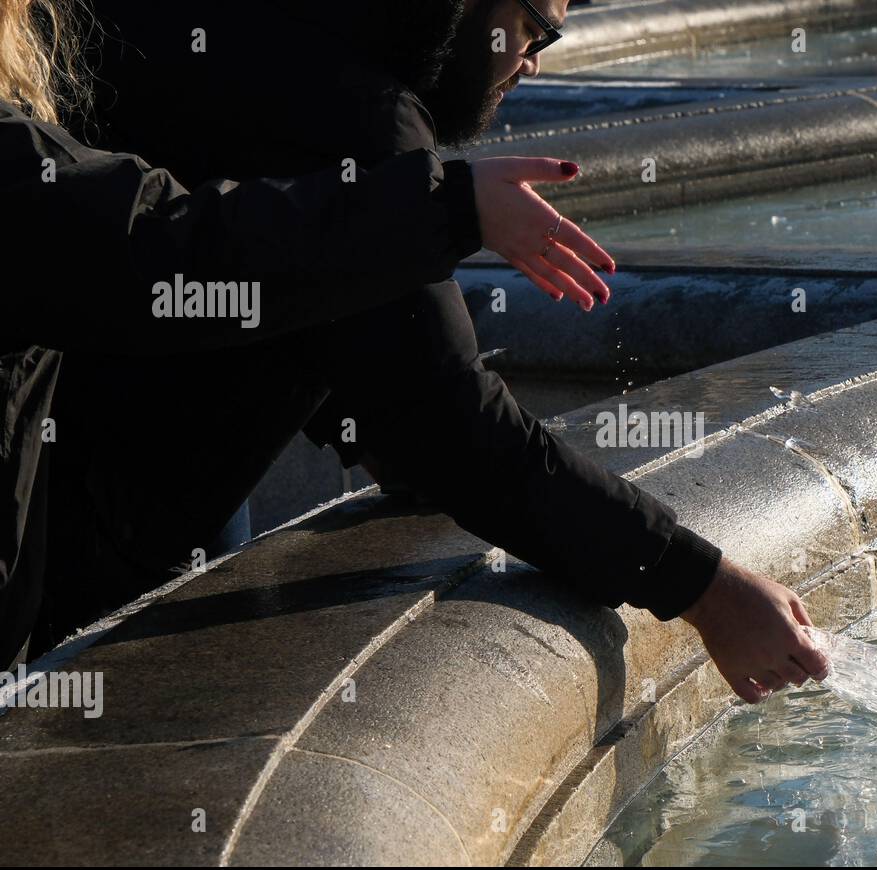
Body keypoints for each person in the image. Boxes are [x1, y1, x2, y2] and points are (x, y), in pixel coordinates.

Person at [2, 0, 830, 702]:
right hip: (93, 521)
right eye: (534, 28)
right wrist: (703, 590)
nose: (534, 63)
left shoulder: (245, 37)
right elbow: (449, 420)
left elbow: (302, 313)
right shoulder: (351, 107)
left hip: (121, 479)